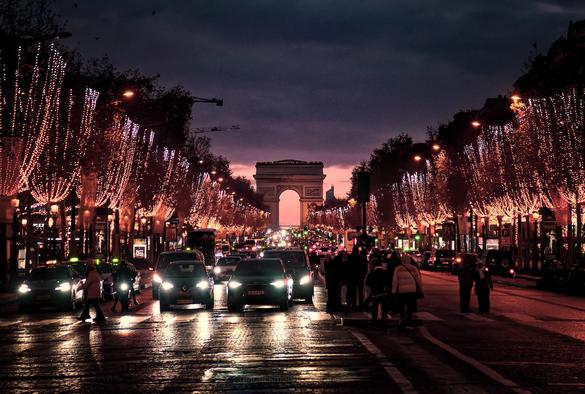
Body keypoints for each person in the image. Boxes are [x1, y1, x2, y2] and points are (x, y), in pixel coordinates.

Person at [392, 254, 423, 327]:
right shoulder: (414, 268)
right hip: (412, 291)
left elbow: (395, 281)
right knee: (410, 307)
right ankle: (409, 320)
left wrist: (393, 291)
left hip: (402, 292)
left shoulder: (398, 268)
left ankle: (402, 320)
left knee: (402, 306)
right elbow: (418, 280)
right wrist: (420, 290)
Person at [365, 258, 389, 325]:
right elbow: (389, 282)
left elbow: (367, 283)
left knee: (374, 307)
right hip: (384, 292)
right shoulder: (385, 272)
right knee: (384, 308)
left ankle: (374, 321)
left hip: (375, 293)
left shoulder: (372, 273)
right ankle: (384, 321)